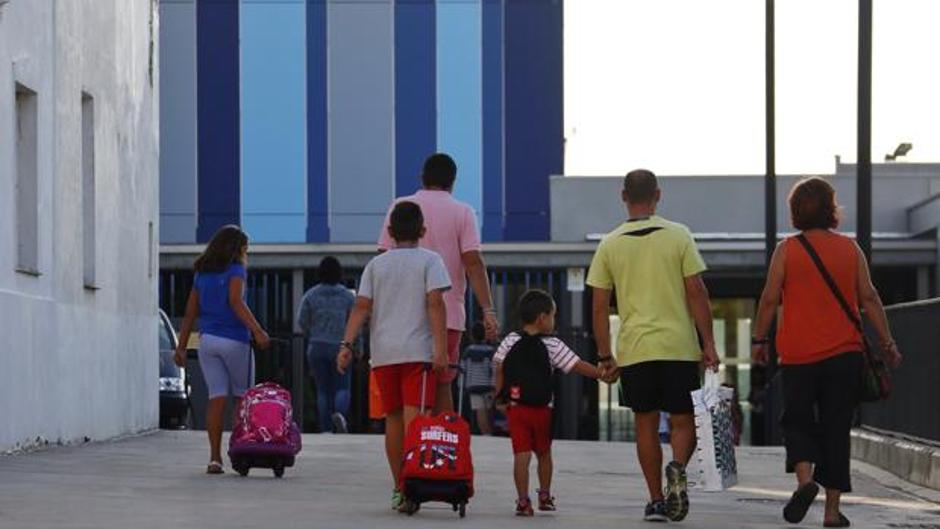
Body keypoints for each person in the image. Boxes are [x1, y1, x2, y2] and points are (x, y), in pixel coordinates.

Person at [751, 177, 902, 528]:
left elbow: (770, 299)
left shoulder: (787, 250)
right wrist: (888, 343)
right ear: (831, 210)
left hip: (798, 355)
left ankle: (805, 482)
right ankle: (832, 513)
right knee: (836, 430)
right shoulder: (850, 250)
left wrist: (759, 342)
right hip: (844, 355)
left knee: (797, 420)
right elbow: (869, 297)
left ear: (795, 211)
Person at [586, 169, 720, 523]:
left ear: (623, 196)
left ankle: (656, 500)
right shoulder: (679, 235)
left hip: (635, 349)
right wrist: (708, 343)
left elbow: (599, 306)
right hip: (678, 346)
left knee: (645, 423)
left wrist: (605, 354)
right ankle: (678, 468)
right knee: (682, 420)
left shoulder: (610, 243)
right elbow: (697, 292)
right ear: (658, 195)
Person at [338, 201, 450, 512]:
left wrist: (346, 345)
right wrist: (441, 349)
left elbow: (361, 307)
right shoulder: (431, 261)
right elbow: (435, 305)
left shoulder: (376, 266)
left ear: (389, 232)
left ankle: (400, 488)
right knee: (416, 422)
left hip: (384, 355)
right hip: (418, 354)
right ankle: (414, 485)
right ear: (423, 231)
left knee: (394, 420)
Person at [379, 153, 500, 414]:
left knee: (405, 396)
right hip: (449, 316)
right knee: (443, 385)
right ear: (453, 182)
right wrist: (488, 310)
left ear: (422, 177)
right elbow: (473, 263)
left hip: (401, 318)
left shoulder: (399, 206)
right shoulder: (463, 212)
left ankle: (411, 441)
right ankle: (443, 438)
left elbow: (384, 259)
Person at [493, 289, 601, 517]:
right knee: (544, 453)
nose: (554, 320)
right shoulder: (552, 344)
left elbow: (499, 367)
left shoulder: (510, 340)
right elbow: (577, 365)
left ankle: (523, 501)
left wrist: (499, 396)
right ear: (542, 318)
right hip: (543, 410)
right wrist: (602, 373)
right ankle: (544, 495)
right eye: (553, 315)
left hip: (516, 409)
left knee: (521, 455)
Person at [173, 225, 271, 474]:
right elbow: (236, 302)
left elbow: (190, 313)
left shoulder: (201, 273)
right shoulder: (236, 270)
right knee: (242, 397)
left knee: (216, 398)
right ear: (238, 249)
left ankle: (214, 458)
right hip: (235, 340)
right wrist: (258, 330)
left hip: (208, 341)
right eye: (245, 249)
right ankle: (239, 451)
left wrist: (181, 347)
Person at [297, 256, 355, 433]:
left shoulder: (311, 295)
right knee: (342, 386)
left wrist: (312, 333)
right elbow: (354, 323)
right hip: (340, 346)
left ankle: (326, 428)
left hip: (317, 346)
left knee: (323, 390)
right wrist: (355, 346)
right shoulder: (348, 296)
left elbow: (301, 321)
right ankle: (340, 417)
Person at [461, 322, 496, 435]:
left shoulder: (468, 351)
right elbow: (494, 369)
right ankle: (490, 432)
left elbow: (463, 368)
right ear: (484, 335)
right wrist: (494, 385)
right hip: (487, 385)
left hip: (473, 385)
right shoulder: (490, 351)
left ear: (472, 335)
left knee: (479, 410)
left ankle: (485, 433)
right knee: (488, 410)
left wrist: (462, 385)